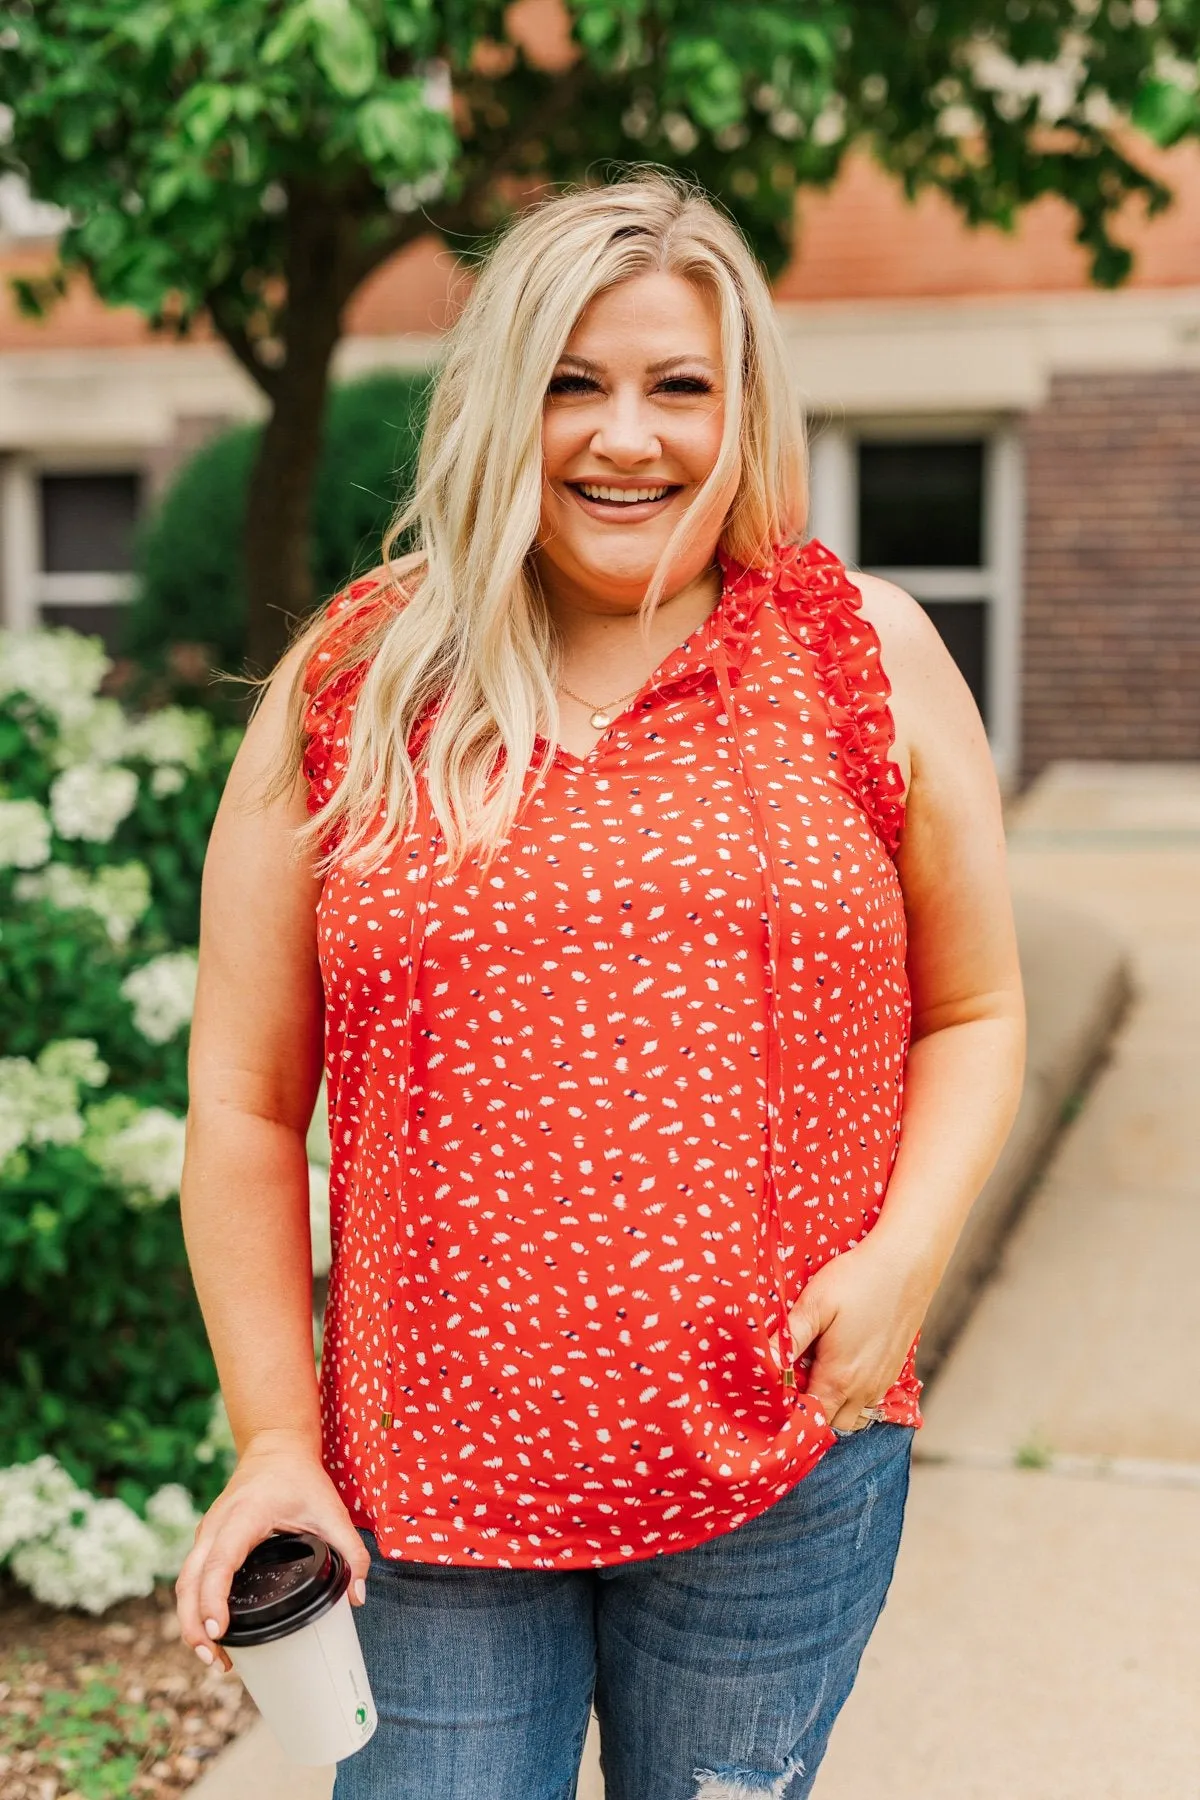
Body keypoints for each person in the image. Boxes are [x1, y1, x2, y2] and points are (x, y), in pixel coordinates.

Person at [175, 171, 1025, 1799]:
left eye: (677, 386)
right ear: (504, 400)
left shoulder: (863, 655)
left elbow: (973, 1011)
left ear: (744, 405)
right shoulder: (356, 685)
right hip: (426, 1500)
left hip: (780, 1470)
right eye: (574, 381)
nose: (624, 438)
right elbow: (244, 1101)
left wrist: (907, 1260)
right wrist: (276, 1441)